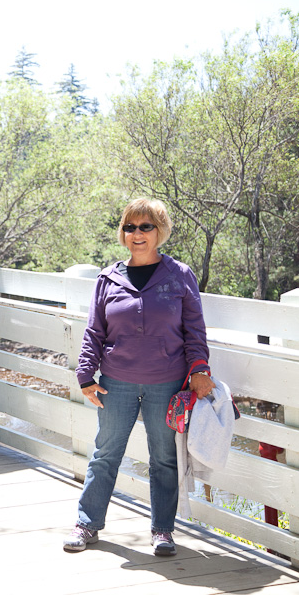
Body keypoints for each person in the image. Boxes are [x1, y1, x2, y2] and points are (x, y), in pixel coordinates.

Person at [64, 198, 215, 556]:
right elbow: (94, 332)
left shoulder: (179, 275)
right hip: (116, 381)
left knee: (163, 457)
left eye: (145, 226)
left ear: (160, 230)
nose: (137, 234)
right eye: (129, 227)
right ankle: (87, 524)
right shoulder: (108, 278)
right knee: (105, 453)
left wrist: (200, 368)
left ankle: (162, 530)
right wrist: (85, 374)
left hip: (167, 382)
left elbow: (195, 330)